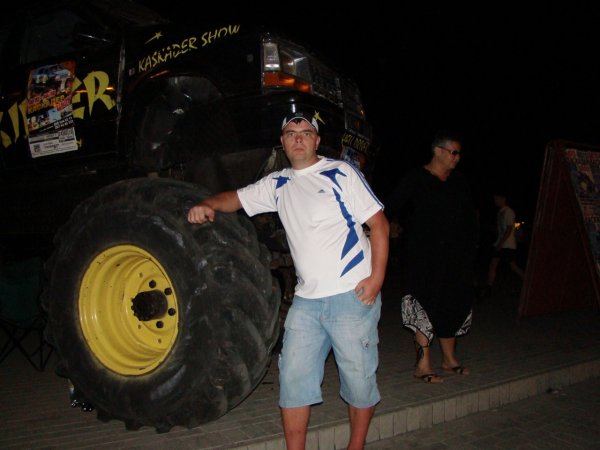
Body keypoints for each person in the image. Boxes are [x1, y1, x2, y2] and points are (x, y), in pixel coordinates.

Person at [187, 111, 389, 450]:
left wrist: (376, 279)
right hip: (306, 302)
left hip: (352, 297)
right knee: (293, 380)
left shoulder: (341, 173)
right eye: (291, 133)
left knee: (359, 381)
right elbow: (235, 198)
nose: (298, 138)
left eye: (306, 132)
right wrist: (207, 203)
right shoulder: (277, 183)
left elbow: (379, 225)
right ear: (282, 142)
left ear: (316, 141)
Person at [384, 131, 478, 384]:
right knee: (424, 305)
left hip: (456, 257)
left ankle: (449, 359)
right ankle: (422, 365)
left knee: (453, 304)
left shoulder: (459, 182)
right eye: (453, 152)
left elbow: (469, 218)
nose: (457, 158)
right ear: (438, 151)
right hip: (424, 257)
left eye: (459, 153)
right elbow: (389, 206)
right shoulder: (417, 178)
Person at [482, 191, 525, 297]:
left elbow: (509, 229)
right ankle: (489, 288)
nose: (495, 201)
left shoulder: (508, 211)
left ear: (503, 199)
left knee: (513, 266)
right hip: (500, 243)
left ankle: (527, 281)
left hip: (507, 244)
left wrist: (501, 243)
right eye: (495, 199)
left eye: (497, 198)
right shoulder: (500, 212)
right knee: (493, 264)